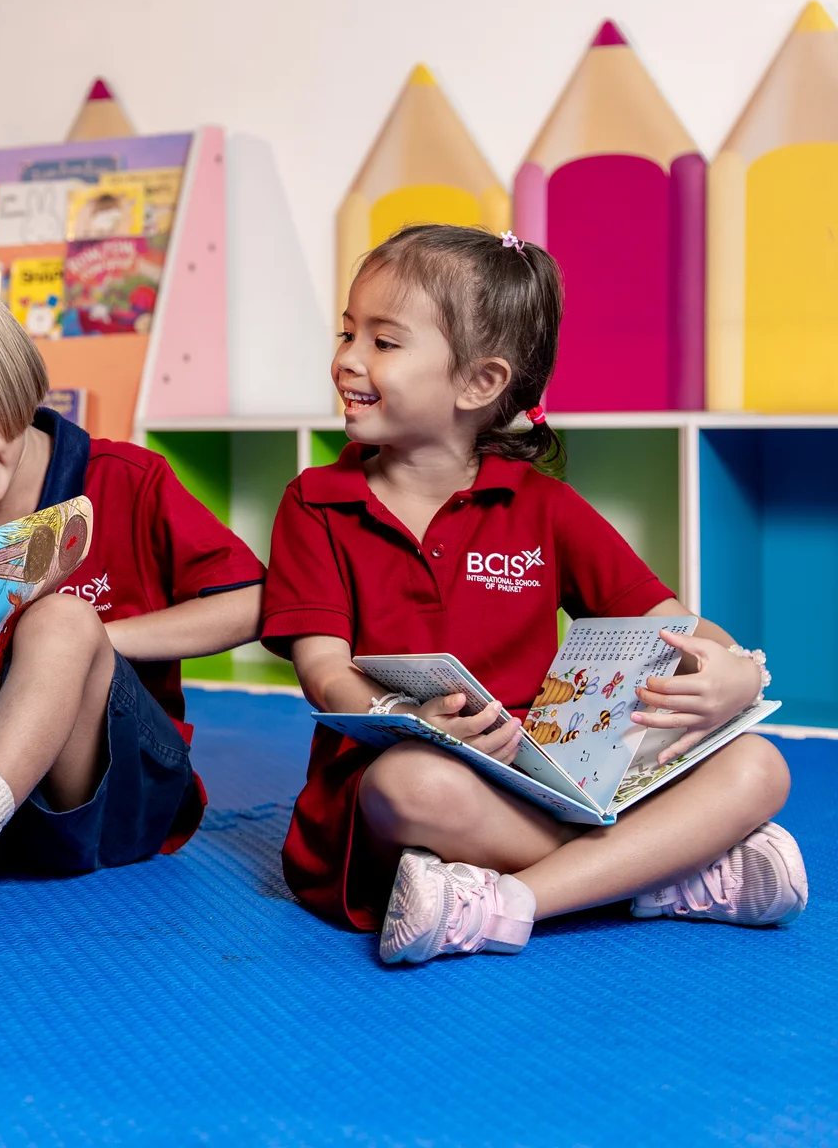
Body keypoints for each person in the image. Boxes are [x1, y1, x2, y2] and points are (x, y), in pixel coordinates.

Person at [261, 224, 803, 965]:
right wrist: (413, 720)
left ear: (479, 383)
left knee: (760, 766)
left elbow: (672, 624)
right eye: (349, 333)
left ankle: (513, 901)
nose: (347, 359)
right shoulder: (315, 502)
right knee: (405, 785)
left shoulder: (542, 504)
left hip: (556, 771)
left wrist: (737, 669)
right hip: (424, 782)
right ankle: (664, 875)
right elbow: (324, 671)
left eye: (384, 342)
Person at [0, 262, 266, 964]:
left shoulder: (126, 478)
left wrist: (89, 639)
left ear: (7, 379)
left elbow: (256, 603)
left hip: (127, 795)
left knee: (57, 621)